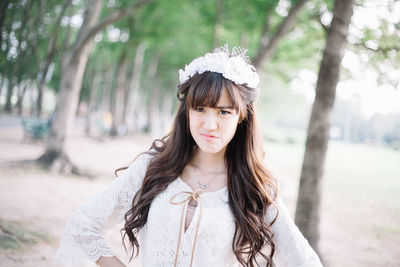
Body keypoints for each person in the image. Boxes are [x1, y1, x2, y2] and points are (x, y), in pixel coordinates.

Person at [54, 45, 323, 267]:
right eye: (200, 108)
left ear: (242, 117)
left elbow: (303, 260)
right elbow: (83, 227)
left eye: (223, 112)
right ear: (187, 111)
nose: (209, 124)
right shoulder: (153, 167)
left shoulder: (255, 187)